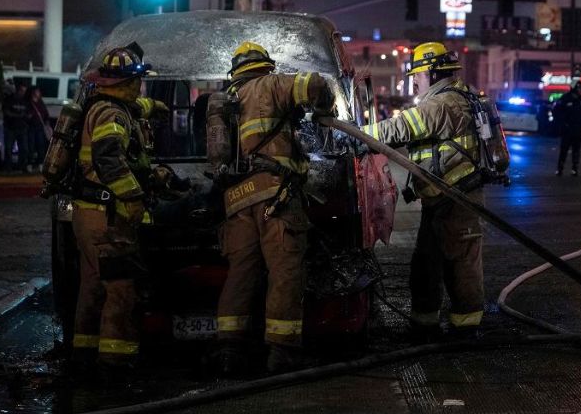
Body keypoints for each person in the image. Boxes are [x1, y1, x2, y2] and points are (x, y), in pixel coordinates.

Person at [360, 42, 507, 342]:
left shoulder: (444, 104)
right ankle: (424, 325)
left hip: (457, 199)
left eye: (417, 74)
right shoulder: (448, 99)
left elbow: (399, 128)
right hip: (441, 198)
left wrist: (353, 135)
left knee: (460, 265)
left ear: (433, 73)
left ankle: (465, 329)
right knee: (426, 263)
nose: (414, 81)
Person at [211, 41, 333, 376]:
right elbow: (315, 84)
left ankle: (229, 351)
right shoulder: (270, 84)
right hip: (274, 196)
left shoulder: (226, 99)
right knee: (285, 271)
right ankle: (283, 352)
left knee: (240, 274)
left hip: (237, 201)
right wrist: (326, 107)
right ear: (265, 66)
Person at [71, 43, 168, 378]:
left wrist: (152, 106)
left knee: (93, 287)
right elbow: (109, 160)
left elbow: (134, 107)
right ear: (125, 83)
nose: (140, 87)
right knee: (121, 289)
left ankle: (83, 358)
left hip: (87, 214)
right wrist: (135, 197)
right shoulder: (112, 115)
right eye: (137, 81)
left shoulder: (101, 105)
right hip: (107, 217)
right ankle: (115, 365)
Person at [554, 79, 581, 176]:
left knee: (576, 150)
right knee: (564, 149)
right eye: (579, 88)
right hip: (567, 129)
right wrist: (562, 123)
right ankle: (560, 168)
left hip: (578, 129)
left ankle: (574, 168)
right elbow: (557, 111)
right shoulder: (565, 98)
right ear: (574, 88)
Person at [1, 82, 30, 172]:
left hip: (22, 128)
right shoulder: (9, 99)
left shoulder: (25, 100)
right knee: (8, 148)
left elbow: (28, 113)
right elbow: (6, 112)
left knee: (24, 149)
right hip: (10, 128)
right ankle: (8, 167)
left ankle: (22, 167)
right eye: (21, 90)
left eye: (24, 91)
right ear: (17, 90)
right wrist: (18, 115)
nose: (23, 93)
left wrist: (27, 117)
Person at [26, 86, 51, 172]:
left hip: (40, 127)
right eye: (37, 91)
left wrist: (47, 121)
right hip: (31, 127)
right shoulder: (29, 103)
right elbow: (27, 115)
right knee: (31, 146)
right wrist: (29, 116)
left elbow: (46, 114)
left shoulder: (41, 103)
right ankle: (30, 164)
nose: (38, 93)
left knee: (41, 146)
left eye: (38, 91)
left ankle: (40, 164)